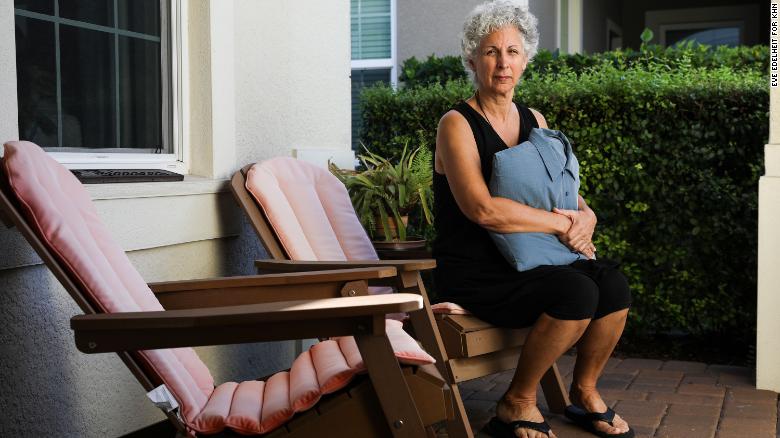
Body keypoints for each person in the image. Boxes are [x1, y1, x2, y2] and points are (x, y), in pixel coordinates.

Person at [432, 1, 633, 437]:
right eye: (490, 52)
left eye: (512, 51)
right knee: (576, 292)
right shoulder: (456, 124)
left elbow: (559, 189)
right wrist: (562, 226)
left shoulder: (533, 120)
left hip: (531, 261)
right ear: (472, 59)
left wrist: (586, 217)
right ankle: (517, 401)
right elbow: (480, 209)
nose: (502, 63)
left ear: (525, 60)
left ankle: (584, 392)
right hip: (476, 271)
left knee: (613, 285)